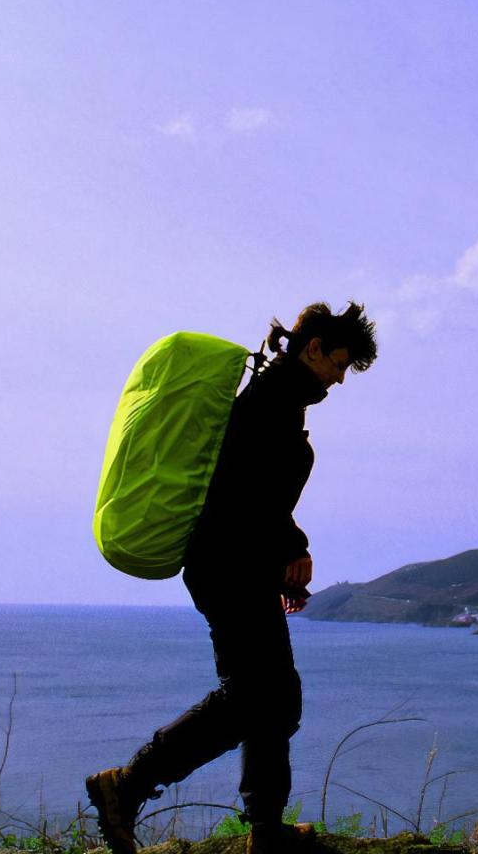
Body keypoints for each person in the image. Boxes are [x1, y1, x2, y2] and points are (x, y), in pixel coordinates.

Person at [86, 302, 378, 854]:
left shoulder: (279, 399)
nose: (340, 378)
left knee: (275, 697)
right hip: (228, 564)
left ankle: (265, 828)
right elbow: (246, 492)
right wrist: (292, 549)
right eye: (339, 363)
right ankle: (126, 786)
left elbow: (259, 494)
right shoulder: (272, 400)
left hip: (239, 563)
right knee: (254, 695)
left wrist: (287, 556)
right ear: (312, 347)